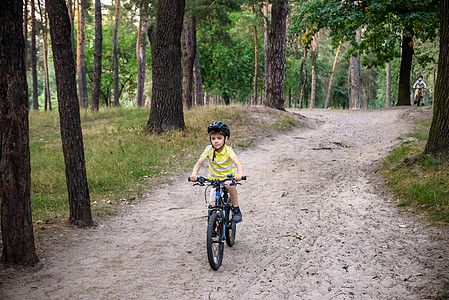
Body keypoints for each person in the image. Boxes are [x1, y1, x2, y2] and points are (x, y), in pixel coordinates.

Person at [189, 121, 244, 222]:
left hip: (227, 178)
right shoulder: (209, 149)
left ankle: (236, 209)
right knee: (212, 207)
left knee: (230, 186)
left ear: (225, 139)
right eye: (213, 138)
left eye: (219, 138)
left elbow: (237, 163)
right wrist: (194, 174)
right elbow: (199, 162)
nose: (216, 141)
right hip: (214, 180)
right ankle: (213, 225)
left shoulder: (228, 150)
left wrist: (239, 174)